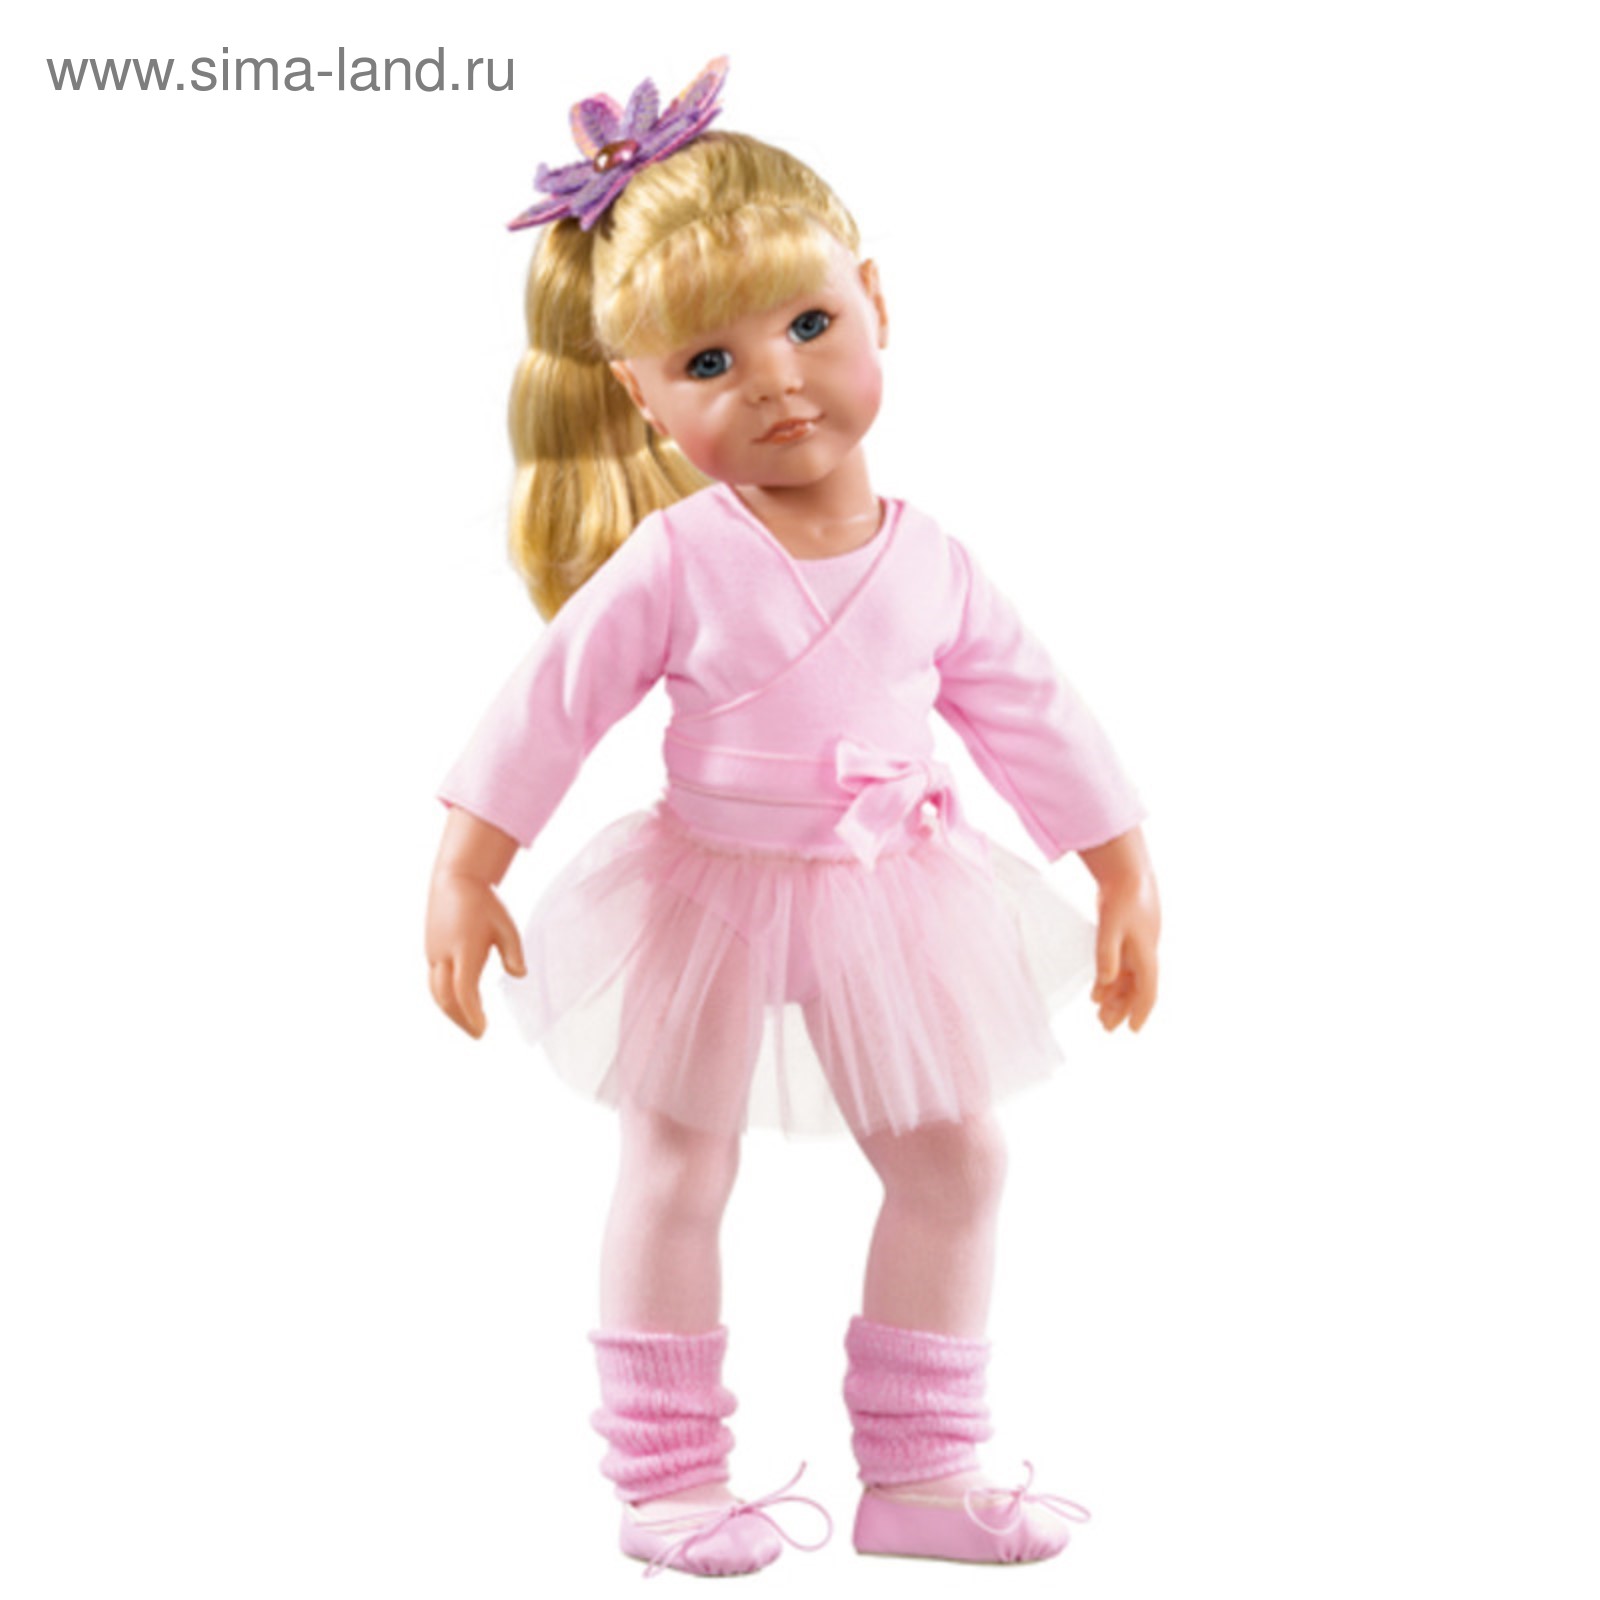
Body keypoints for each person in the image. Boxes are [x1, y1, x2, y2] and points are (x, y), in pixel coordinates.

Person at [425, 58, 1160, 1577]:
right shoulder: (681, 557)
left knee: (957, 1163)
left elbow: (1034, 711)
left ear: (876, 301)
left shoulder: (932, 559)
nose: (774, 381)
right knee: (680, 1167)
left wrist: (1122, 865)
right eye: (711, 360)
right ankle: (668, 1482)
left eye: (809, 324)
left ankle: (925, 1473)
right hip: (709, 891)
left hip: (897, 891)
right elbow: (550, 705)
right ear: (641, 394)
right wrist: (466, 862)